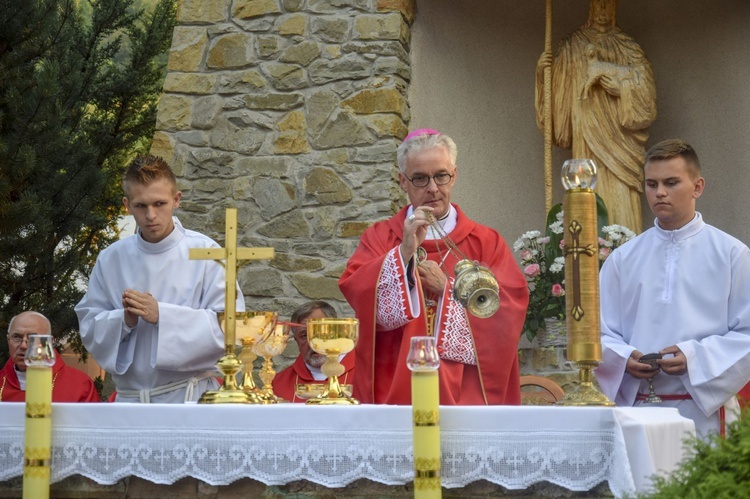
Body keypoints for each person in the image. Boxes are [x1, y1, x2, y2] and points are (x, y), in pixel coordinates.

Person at [339, 129, 529, 405]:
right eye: (420, 178)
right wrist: (403, 253)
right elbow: (357, 291)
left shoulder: (486, 242)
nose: (433, 188)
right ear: (402, 181)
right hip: (395, 386)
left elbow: (510, 311)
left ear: (454, 174)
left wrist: (449, 291)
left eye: (441, 176)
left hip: (468, 391)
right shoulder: (380, 238)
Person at [595, 139, 750, 439]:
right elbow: (598, 332)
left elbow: (747, 334)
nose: (660, 192)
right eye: (651, 184)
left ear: (697, 187)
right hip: (638, 411)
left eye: (671, 182)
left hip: (705, 410)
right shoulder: (623, 259)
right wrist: (624, 358)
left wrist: (694, 358)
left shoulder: (732, 255)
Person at [75, 155, 244, 403]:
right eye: (141, 206)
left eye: (159, 203)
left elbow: (231, 327)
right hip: (130, 403)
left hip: (188, 399)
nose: (151, 215)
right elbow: (89, 326)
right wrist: (124, 320)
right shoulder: (111, 259)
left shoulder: (208, 254)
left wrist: (163, 316)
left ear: (176, 199)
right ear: (127, 205)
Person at [535, 0, 656, 232]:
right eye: (598, 5)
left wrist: (622, 89)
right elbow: (557, 99)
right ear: (591, 8)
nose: (602, 12)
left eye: (607, 5)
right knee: (587, 196)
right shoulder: (573, 45)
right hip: (587, 137)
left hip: (621, 145)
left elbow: (647, 95)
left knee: (621, 208)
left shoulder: (628, 46)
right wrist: (543, 74)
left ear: (615, 7)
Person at [1, 311, 99, 402]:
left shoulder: (80, 385)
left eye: (33, 338)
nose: (23, 345)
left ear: (49, 342)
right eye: (17, 337)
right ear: (8, 339)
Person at [272, 301, 355, 403]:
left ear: (336, 333)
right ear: (297, 341)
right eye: (304, 335)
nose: (313, 343)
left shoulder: (366, 376)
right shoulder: (278, 384)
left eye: (320, 332)